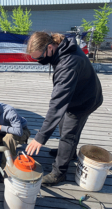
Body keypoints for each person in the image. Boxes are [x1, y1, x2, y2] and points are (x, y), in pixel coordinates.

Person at [25, 32, 103, 186]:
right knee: (63, 124)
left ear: (49, 47)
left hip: (85, 100)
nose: (39, 61)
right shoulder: (61, 47)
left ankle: (59, 173)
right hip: (75, 94)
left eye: (40, 57)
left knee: (68, 134)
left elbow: (57, 105)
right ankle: (69, 154)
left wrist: (40, 137)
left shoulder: (69, 63)